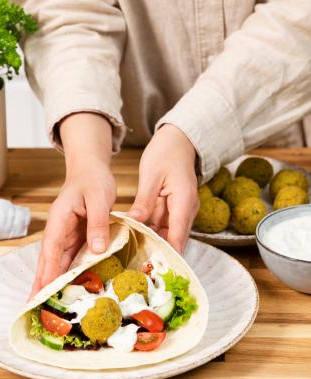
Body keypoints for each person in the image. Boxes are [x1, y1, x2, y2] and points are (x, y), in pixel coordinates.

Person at [17, 0, 311, 295]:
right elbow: (66, 12)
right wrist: (85, 159)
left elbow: (300, 18)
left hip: (276, 131)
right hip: (129, 148)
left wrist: (190, 133)